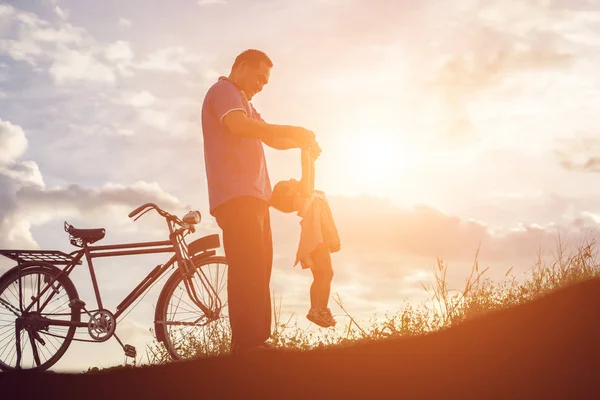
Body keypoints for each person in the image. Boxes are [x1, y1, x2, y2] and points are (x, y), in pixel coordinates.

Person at [201, 49, 321, 353]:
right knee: (247, 268)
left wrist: (300, 140)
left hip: (255, 198)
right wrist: (292, 132)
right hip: (236, 196)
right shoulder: (224, 91)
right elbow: (240, 127)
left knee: (260, 268)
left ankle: (257, 341)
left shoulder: (246, 105)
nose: (262, 85)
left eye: (266, 82)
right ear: (240, 67)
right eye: (259, 77)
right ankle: (246, 345)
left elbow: (269, 136)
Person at [269, 151, 340, 328]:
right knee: (326, 273)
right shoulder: (306, 194)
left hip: (313, 238)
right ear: (289, 193)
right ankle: (319, 309)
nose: (293, 179)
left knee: (320, 275)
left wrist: (311, 157)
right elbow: (307, 172)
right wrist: (305, 150)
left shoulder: (305, 195)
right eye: (289, 182)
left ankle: (316, 309)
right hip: (316, 238)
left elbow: (310, 172)